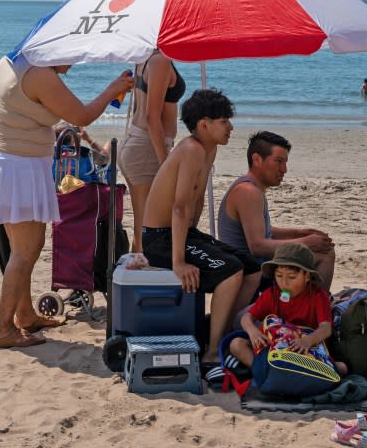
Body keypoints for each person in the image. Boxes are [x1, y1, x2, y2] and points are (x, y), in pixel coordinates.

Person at [0, 54, 134, 349]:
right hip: (18, 168)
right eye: (68, 60)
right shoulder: (39, 73)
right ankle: (1, 327)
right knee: (26, 250)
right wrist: (114, 89)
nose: (68, 68)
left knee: (20, 250)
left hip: (3, 162)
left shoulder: (6, 63)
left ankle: (24, 315)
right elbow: (81, 116)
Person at [140, 89, 262, 366]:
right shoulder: (192, 149)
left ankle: (226, 335)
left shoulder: (210, 148)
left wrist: (198, 243)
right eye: (224, 121)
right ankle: (211, 353)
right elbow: (179, 207)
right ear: (204, 125)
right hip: (160, 238)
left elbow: (193, 206)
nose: (231, 127)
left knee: (252, 269)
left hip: (181, 233)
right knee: (231, 272)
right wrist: (179, 262)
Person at [218, 131, 335, 292]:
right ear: (257, 159)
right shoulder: (248, 192)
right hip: (253, 271)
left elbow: (262, 230)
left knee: (320, 247)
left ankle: (307, 304)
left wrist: (298, 233)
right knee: (325, 255)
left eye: (285, 162)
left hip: (256, 263)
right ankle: (310, 308)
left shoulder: (252, 188)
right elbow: (258, 246)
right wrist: (306, 243)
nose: (284, 169)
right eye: (279, 161)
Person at [229, 242, 347, 376]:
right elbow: (247, 317)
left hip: (306, 351)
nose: (284, 283)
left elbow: (326, 328)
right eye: (279, 276)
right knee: (236, 344)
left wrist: (307, 341)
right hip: (276, 349)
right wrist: (252, 331)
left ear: (307, 276)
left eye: (292, 277)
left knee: (341, 368)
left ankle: (275, 374)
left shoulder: (319, 297)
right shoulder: (272, 294)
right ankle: (263, 372)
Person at [119, 50, 186, 253]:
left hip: (137, 143)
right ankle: (138, 277)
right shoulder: (160, 60)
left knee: (142, 225)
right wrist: (166, 163)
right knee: (148, 227)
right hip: (147, 148)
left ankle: (135, 273)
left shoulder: (144, 57)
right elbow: (151, 117)